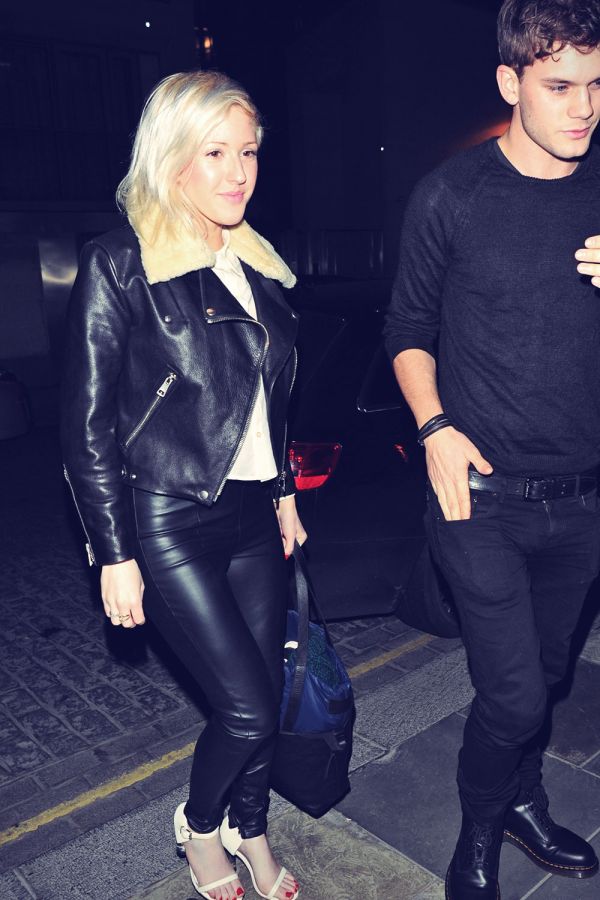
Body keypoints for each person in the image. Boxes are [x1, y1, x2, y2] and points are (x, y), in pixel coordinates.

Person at [61, 71, 304, 900]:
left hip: (252, 514)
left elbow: (267, 400)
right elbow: (86, 425)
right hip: (166, 517)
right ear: (171, 159)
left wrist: (283, 489)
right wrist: (112, 552)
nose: (239, 173)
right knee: (244, 706)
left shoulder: (256, 263)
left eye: (249, 152)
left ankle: (252, 828)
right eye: (215, 153)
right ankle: (201, 828)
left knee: (266, 690)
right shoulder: (122, 262)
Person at [384, 1, 600, 897]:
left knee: (543, 680)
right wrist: (434, 428)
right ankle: (478, 833)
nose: (584, 108)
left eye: (597, 85)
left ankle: (523, 799)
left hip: (583, 498)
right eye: (560, 86)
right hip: (479, 495)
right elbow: (406, 330)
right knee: (512, 695)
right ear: (511, 82)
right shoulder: (451, 196)